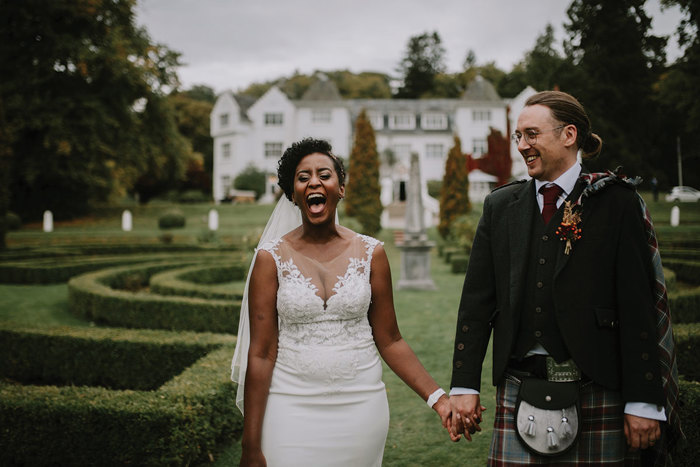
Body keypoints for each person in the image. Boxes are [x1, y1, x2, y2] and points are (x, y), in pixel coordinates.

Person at [448, 91, 680, 465]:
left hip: (599, 388)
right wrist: (463, 385)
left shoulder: (616, 202)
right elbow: (476, 304)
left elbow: (638, 304)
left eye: (532, 134)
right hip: (518, 384)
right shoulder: (500, 205)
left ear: (569, 134)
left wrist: (643, 400)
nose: (522, 145)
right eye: (518, 136)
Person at [231, 138, 457, 466]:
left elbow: (391, 339)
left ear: (340, 188)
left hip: (361, 407)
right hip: (289, 405)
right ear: (293, 194)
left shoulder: (372, 253)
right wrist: (250, 447)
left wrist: (438, 399)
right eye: (303, 177)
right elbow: (261, 353)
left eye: (324, 174)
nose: (314, 182)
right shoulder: (270, 259)